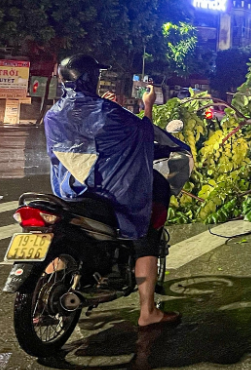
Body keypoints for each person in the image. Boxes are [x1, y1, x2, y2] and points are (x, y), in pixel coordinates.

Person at [44, 55, 180, 329]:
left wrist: (107, 106)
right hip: (108, 194)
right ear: (92, 79)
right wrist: (147, 105)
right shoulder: (108, 113)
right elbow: (144, 135)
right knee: (146, 235)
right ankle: (147, 312)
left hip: (69, 193)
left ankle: (44, 299)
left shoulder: (52, 115)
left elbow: (83, 140)